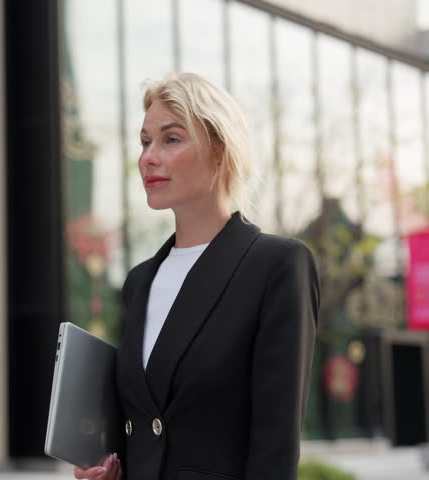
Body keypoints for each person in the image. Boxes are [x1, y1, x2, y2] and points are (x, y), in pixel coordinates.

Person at [73, 72, 319, 480]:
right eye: (145, 141)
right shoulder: (139, 282)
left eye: (171, 139)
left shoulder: (277, 265)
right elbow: (144, 432)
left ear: (220, 151)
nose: (149, 157)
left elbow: (274, 450)